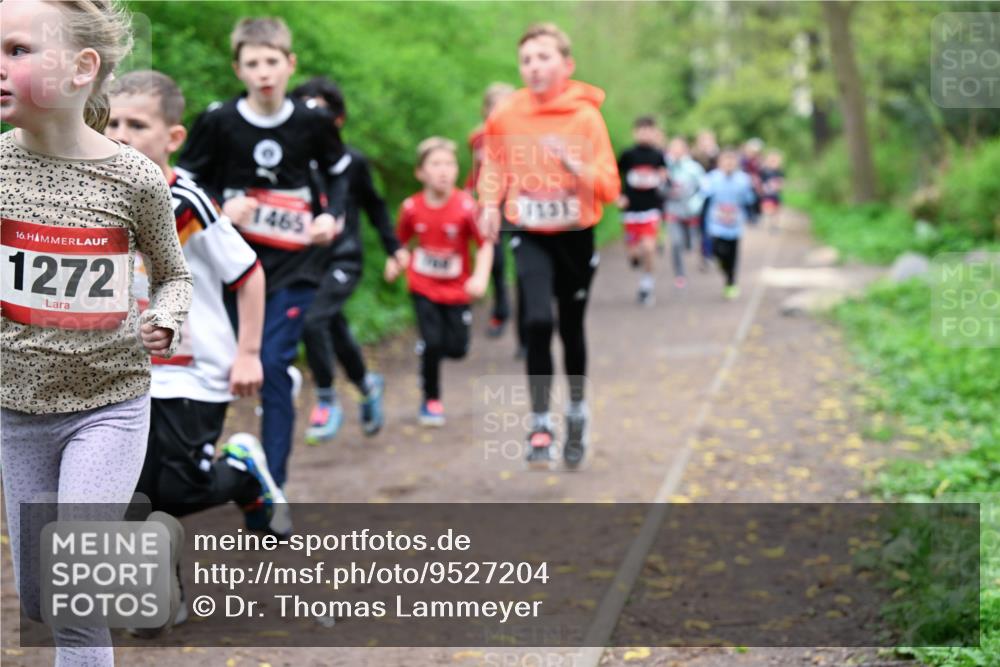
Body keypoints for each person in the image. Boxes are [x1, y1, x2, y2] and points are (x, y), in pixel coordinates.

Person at [0, 1, 193, 663]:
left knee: (74, 594)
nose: (0, 66)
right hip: (17, 410)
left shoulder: (134, 177)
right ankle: (150, 565)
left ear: (82, 69)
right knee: (39, 601)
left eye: (17, 50)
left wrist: (166, 317)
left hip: (108, 405)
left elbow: (174, 275)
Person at [175, 17, 350, 491]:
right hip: (231, 268)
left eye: (272, 61)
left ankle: (273, 484)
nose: (263, 72)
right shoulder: (218, 121)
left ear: (290, 64)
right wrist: (220, 207)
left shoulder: (312, 121)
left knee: (270, 364)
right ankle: (199, 461)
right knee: (223, 361)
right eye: (253, 64)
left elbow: (339, 172)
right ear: (238, 69)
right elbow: (183, 183)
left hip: (295, 266)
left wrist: (330, 216)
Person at [478, 23, 620, 469]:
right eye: (526, 60)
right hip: (529, 232)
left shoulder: (585, 118)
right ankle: (541, 419)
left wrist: (577, 168)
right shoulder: (506, 114)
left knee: (571, 328)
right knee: (537, 320)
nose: (534, 67)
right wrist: (486, 203)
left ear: (567, 65)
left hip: (576, 236)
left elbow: (611, 188)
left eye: (543, 57)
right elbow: (494, 166)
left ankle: (576, 410)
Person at [292, 76, 407, 443]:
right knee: (332, 325)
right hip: (304, 261)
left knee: (314, 322)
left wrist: (394, 249)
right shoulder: (290, 160)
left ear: (337, 120)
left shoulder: (352, 161)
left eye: (320, 108)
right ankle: (367, 384)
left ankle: (326, 399)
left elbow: (375, 206)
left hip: (344, 258)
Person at [387, 138, 492, 426]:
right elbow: (400, 242)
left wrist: (480, 277)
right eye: (436, 164)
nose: (444, 171)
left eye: (449, 164)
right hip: (423, 285)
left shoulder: (467, 207)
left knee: (457, 348)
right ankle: (431, 400)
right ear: (420, 172)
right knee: (432, 342)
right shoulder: (411, 208)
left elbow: (485, 244)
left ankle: (431, 348)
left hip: (457, 289)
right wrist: (394, 262)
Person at [467, 82, 518, 340]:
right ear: (485, 109)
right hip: (489, 206)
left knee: (523, 265)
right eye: (494, 105)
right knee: (495, 263)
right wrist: (468, 195)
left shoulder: (523, 135)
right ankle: (500, 312)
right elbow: (476, 173)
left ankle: (528, 332)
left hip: (519, 205)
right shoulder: (478, 138)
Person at [617, 116, 668, 305]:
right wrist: (619, 195)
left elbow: (664, 177)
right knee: (633, 252)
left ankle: (647, 285)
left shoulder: (658, 155)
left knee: (648, 248)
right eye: (641, 130)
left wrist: (664, 178)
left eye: (649, 130)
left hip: (650, 210)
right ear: (635, 132)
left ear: (654, 133)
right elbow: (615, 175)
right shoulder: (628, 154)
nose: (645, 134)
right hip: (631, 211)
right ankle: (634, 258)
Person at [701, 149, 756, 299]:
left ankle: (731, 282)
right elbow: (703, 198)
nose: (729, 164)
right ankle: (722, 266)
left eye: (732, 161)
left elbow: (749, 200)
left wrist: (752, 215)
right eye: (726, 160)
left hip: (735, 226)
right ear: (720, 163)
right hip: (716, 224)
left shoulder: (743, 179)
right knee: (718, 251)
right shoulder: (711, 178)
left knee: (732, 256)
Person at [663, 136, 705, 288]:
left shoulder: (694, 168)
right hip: (673, 211)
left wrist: (696, 203)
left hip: (691, 213)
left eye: (678, 147)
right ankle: (679, 274)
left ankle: (700, 255)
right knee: (675, 243)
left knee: (690, 244)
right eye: (672, 148)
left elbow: (704, 188)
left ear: (685, 149)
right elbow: (659, 190)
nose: (675, 151)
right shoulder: (665, 167)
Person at [759, 149, 785, 232]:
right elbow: (761, 182)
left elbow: (782, 181)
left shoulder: (780, 171)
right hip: (768, 194)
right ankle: (769, 224)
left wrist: (779, 185)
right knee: (769, 210)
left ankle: (774, 226)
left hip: (776, 194)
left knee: (776, 211)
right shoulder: (765, 171)